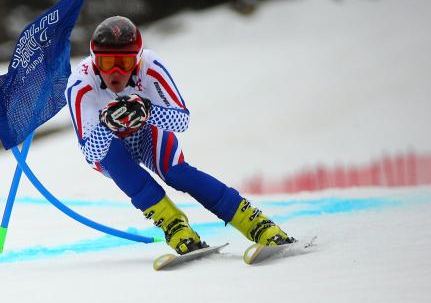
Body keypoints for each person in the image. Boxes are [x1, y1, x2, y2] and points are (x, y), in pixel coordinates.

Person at [64, 16, 295, 254]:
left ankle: (256, 223)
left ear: (138, 59)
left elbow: (182, 120)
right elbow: (91, 153)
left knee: (176, 172)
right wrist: (106, 125)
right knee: (115, 159)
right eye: (107, 62)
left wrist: (147, 111)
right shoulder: (80, 83)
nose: (115, 72)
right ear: (94, 61)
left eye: (124, 62)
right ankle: (174, 225)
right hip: (110, 148)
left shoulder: (150, 66)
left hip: (146, 134)